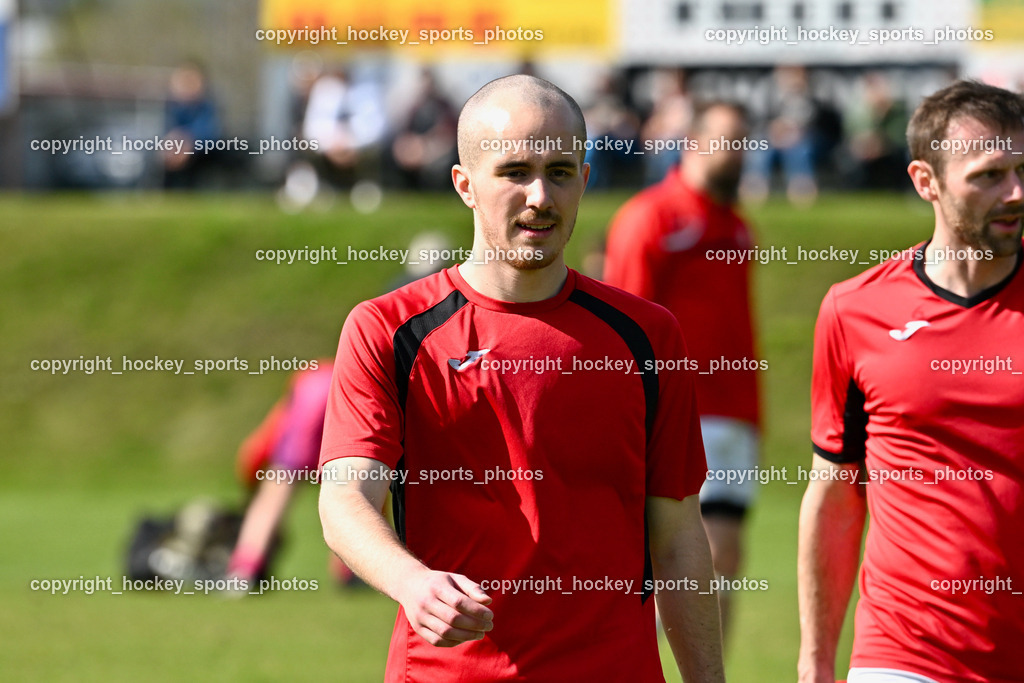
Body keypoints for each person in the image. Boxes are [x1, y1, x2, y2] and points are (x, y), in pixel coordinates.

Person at [318, 74, 725, 682]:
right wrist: (413, 583)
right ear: (466, 186)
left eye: (561, 171)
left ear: (584, 181)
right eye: (514, 172)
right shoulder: (389, 329)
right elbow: (346, 498)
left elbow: (676, 534)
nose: (540, 195)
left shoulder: (648, 335)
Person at [798, 79, 1024, 683]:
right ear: (926, 181)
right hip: (906, 654)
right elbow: (837, 496)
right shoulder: (854, 310)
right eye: (989, 175)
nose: (1016, 193)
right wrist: (817, 660)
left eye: (1023, 170)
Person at [604, 101, 761, 642]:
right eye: (728, 141)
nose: (739, 153)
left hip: (737, 414)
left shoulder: (738, 226)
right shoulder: (653, 216)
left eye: (745, 142)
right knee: (689, 559)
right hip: (685, 413)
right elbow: (622, 323)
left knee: (727, 560)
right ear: (693, 142)